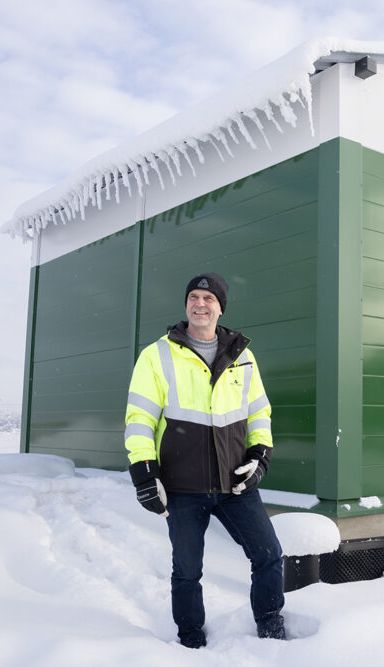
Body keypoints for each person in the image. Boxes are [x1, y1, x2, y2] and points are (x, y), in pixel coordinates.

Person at [124, 272, 285, 648]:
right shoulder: (157, 355)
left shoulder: (243, 356)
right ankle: (191, 640)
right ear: (186, 305)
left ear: (220, 307)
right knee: (187, 571)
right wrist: (145, 474)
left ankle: (271, 629)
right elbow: (139, 419)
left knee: (269, 555)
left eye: (208, 298)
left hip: (234, 484)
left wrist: (260, 454)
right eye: (194, 297)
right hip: (182, 487)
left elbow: (260, 411)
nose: (200, 304)